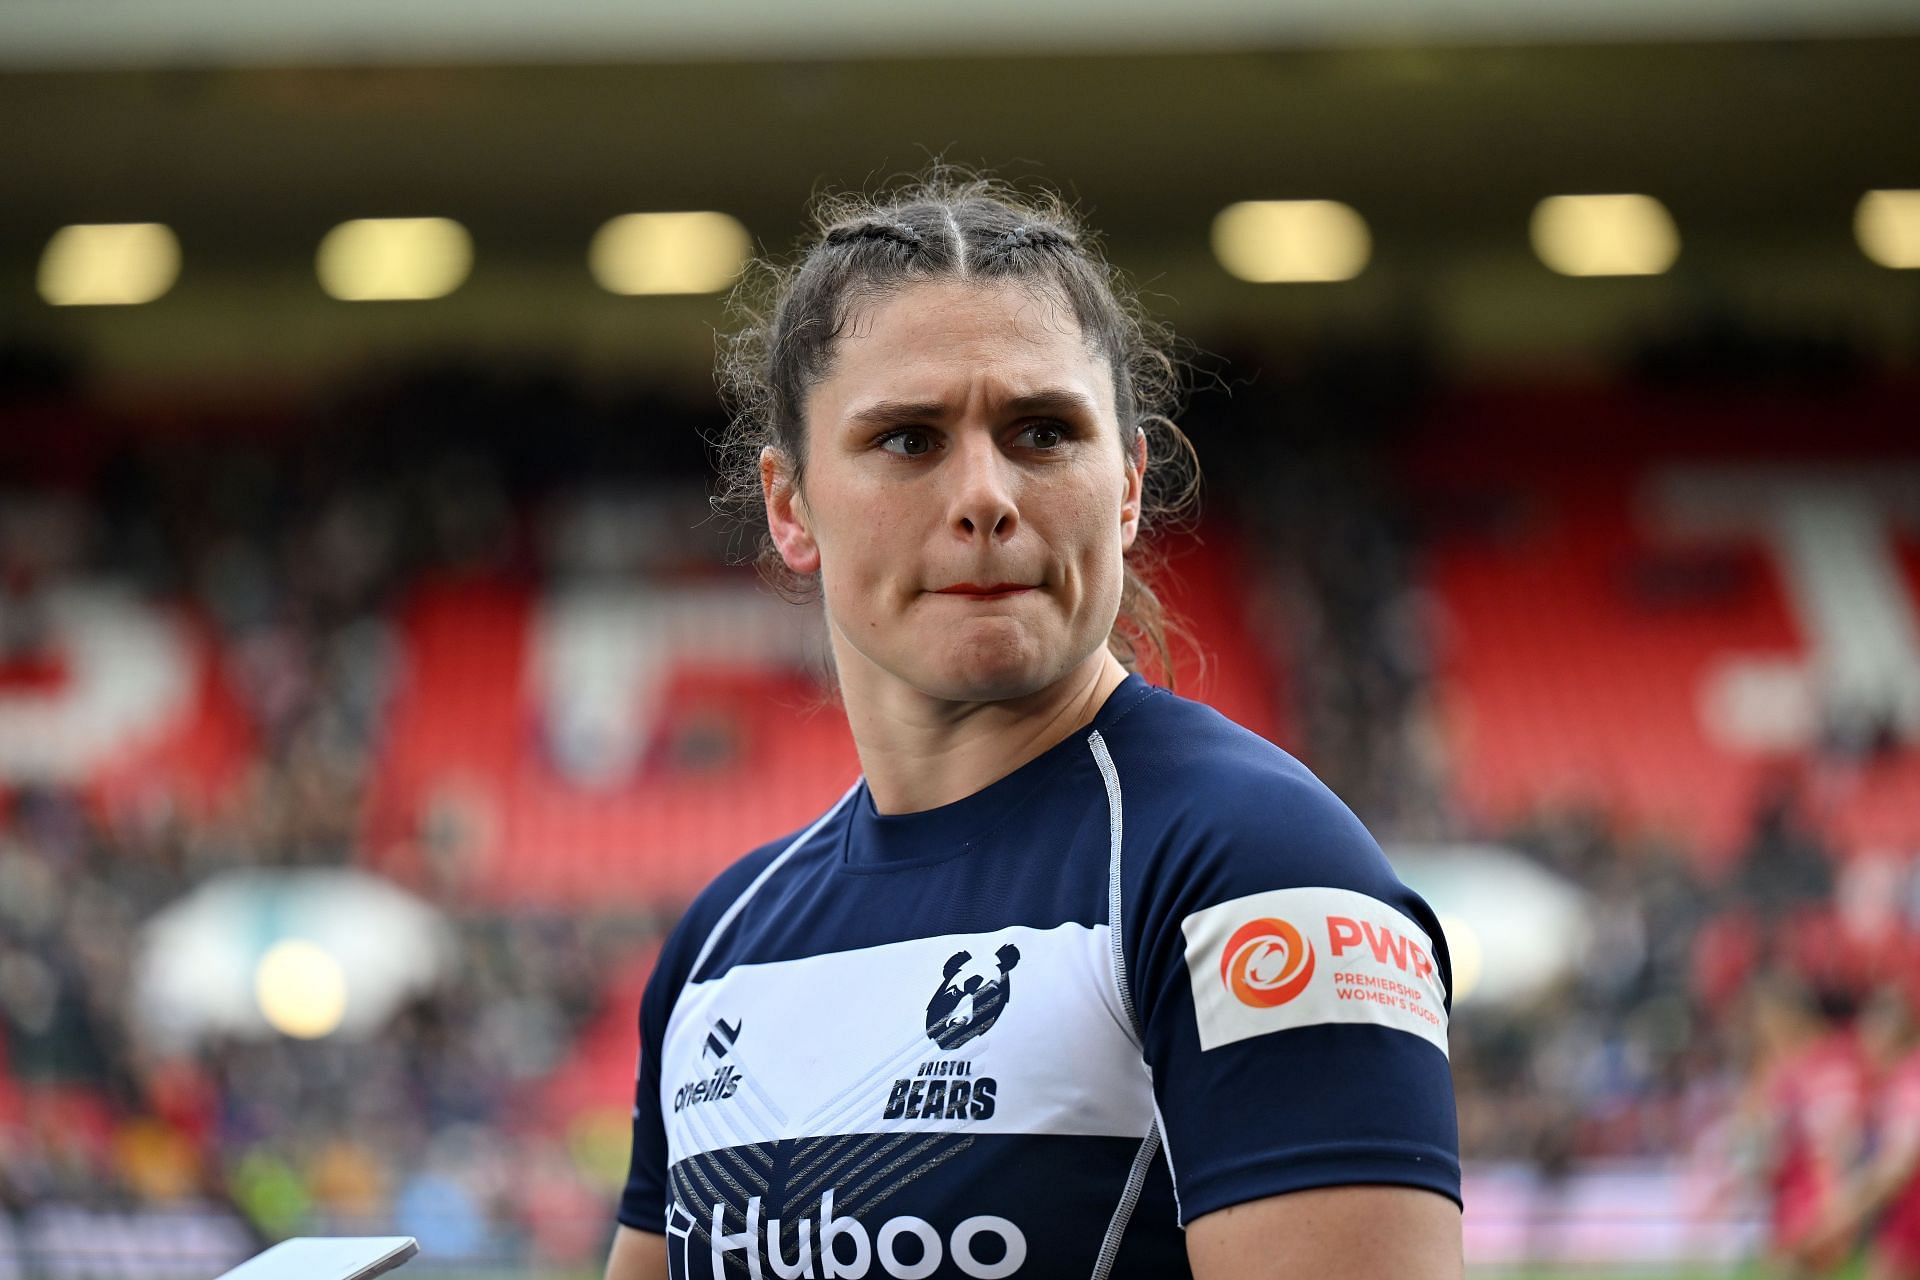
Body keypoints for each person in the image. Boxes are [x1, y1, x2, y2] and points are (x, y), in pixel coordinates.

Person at [604, 174, 1462, 1280]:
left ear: (1128, 486)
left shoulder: (1258, 874)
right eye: (909, 439)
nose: (984, 494)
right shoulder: (722, 944)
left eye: (1043, 431)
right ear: (790, 506)